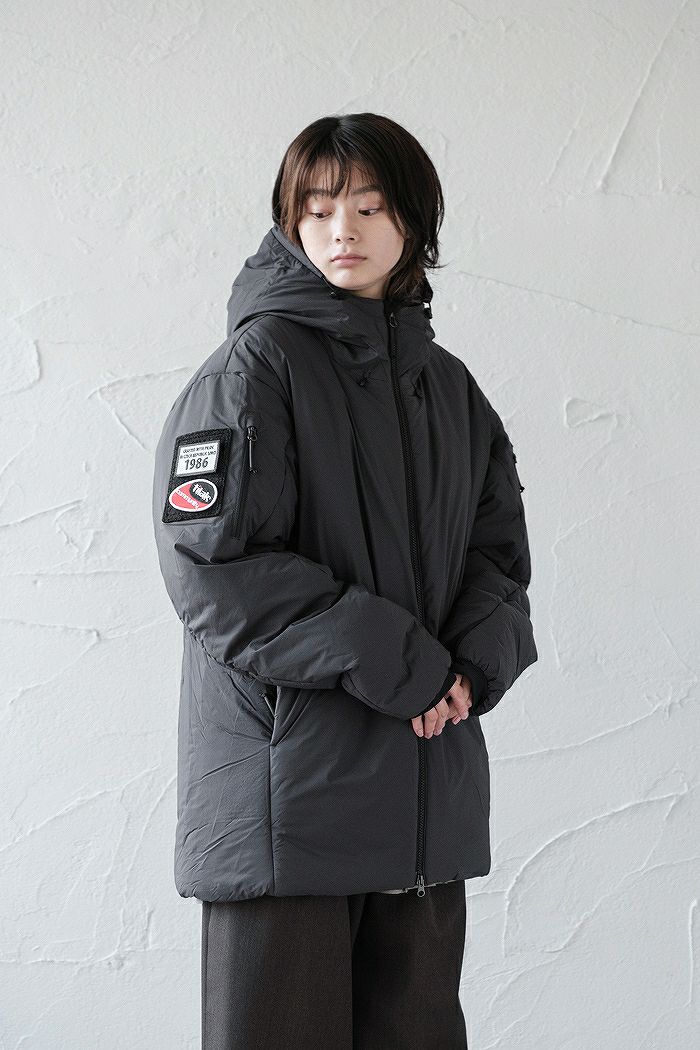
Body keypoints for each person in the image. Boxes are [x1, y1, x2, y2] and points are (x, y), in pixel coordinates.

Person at [151, 112, 538, 1050]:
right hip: (289, 810)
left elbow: (498, 559)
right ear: (290, 221)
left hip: (422, 804)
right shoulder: (253, 370)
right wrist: (408, 667)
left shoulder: (451, 389)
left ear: (413, 222)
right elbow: (216, 568)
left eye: (367, 207)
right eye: (317, 209)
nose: (341, 231)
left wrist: (467, 671)